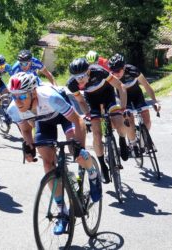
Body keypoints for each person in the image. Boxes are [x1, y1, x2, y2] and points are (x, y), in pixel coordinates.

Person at [6, 72, 101, 235]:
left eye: (21, 96)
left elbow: (77, 120)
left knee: (77, 152)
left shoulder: (50, 97)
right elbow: (27, 129)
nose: (17, 101)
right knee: (47, 163)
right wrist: (28, 147)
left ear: (33, 93)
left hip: (64, 116)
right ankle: (62, 212)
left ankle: (92, 174)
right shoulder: (14, 109)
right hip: (43, 122)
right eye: (14, 96)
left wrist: (79, 147)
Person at [67, 58, 129, 184]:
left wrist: (123, 107)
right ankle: (102, 165)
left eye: (82, 76)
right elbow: (81, 101)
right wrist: (87, 114)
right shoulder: (72, 84)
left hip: (108, 97)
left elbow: (120, 86)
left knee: (118, 121)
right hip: (92, 102)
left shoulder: (99, 71)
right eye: (76, 76)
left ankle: (122, 140)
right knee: (96, 133)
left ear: (89, 71)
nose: (79, 79)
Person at [108, 53, 161, 156]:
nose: (116, 74)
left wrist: (155, 101)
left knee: (147, 121)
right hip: (124, 99)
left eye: (118, 71)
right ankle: (133, 144)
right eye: (113, 71)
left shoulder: (133, 70)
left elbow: (146, 85)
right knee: (129, 119)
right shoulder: (112, 77)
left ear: (124, 67)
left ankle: (142, 140)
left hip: (137, 95)